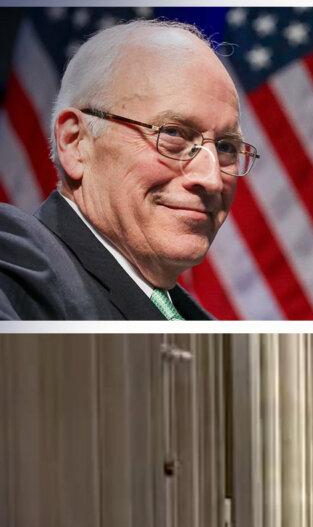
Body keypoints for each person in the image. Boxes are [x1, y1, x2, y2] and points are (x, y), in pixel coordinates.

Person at [0, 19, 258, 320]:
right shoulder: (13, 257)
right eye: (173, 134)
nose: (211, 180)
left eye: (226, 147)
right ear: (75, 142)